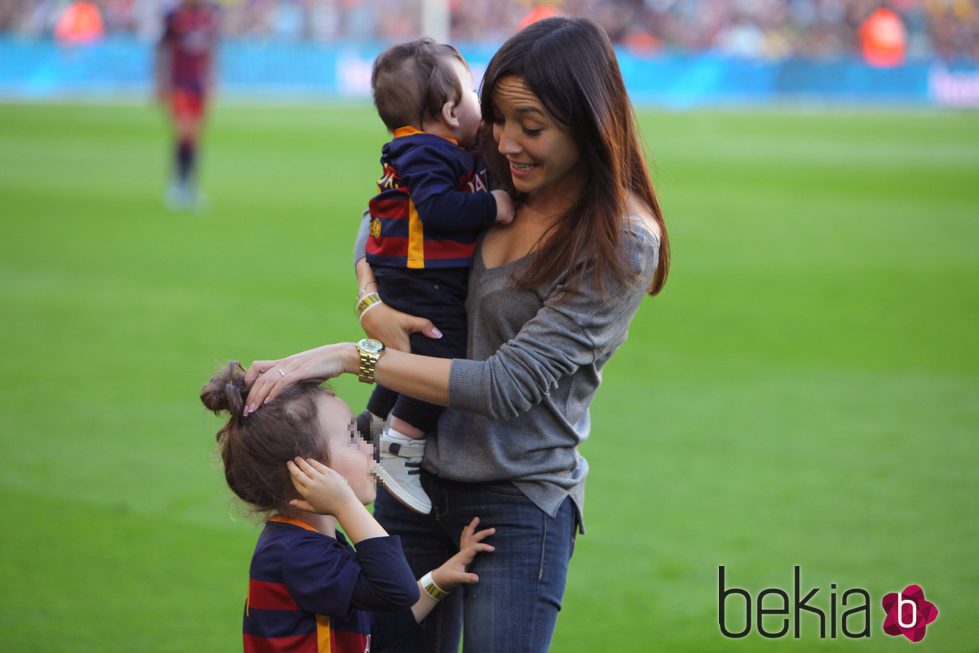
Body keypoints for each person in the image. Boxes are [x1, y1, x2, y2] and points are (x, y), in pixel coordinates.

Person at [242, 16, 670, 653]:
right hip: (406, 484)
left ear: (588, 120)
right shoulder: (491, 174)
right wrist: (370, 304)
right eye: (497, 119)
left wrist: (349, 355)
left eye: (532, 126)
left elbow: (504, 385)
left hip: (518, 500)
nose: (506, 141)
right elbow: (376, 221)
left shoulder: (621, 240)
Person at [200, 361, 495, 652]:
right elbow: (397, 590)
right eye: (352, 438)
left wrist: (439, 579)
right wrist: (346, 505)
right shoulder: (297, 554)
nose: (369, 447)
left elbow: (375, 630)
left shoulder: (309, 546)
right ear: (305, 470)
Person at [360, 38, 514, 516]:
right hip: (422, 277)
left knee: (409, 352)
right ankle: (400, 446)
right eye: (471, 94)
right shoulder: (428, 152)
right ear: (450, 109)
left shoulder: (417, 149)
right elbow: (436, 208)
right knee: (442, 356)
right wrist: (494, 204)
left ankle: (370, 423)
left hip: (403, 274)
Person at [155, 0, 220, 211]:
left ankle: (191, 187)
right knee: (183, 132)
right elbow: (162, 50)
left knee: (195, 136)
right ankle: (177, 186)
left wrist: (212, 80)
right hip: (179, 82)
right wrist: (161, 82)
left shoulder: (208, 17)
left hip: (198, 85)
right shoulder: (174, 17)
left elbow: (212, 50)